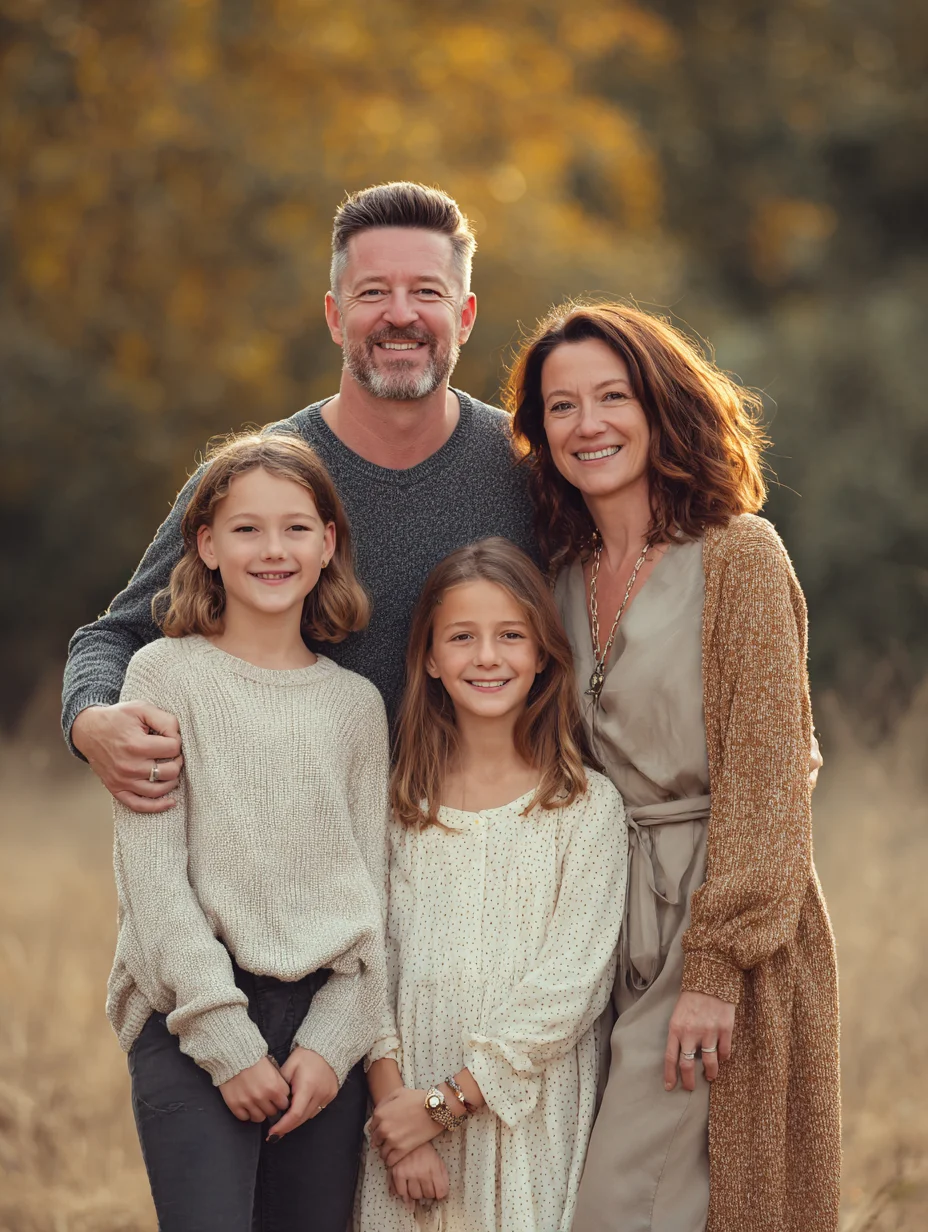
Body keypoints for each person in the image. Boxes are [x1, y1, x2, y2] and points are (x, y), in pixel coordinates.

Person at [508, 304, 841, 1232]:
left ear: (662, 409)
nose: (590, 425)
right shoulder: (558, 570)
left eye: (613, 397)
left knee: (625, 1202)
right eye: (562, 406)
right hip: (598, 911)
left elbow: (771, 777)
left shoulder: (738, 555)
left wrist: (715, 970)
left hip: (718, 908)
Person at [61, 181, 534, 811]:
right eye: (372, 293)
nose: (400, 314)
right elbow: (113, 636)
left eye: (427, 292)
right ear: (336, 317)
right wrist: (91, 722)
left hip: (475, 847)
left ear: (465, 316)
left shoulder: (528, 466)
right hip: (303, 857)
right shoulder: (261, 479)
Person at [108, 433, 390, 1232]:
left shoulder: (356, 707)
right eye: (246, 529)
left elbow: (375, 900)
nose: (274, 550)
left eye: (297, 528)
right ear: (205, 544)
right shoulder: (164, 676)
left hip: (319, 1033)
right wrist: (225, 1041)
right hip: (190, 1015)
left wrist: (334, 1046)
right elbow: (154, 883)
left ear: (328, 542)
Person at [354, 538, 628, 1232]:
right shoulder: (393, 808)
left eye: (511, 636)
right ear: (430, 659)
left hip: (525, 1116)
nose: (487, 657)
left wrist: (446, 1104)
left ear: (542, 655)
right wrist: (400, 1120)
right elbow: (366, 969)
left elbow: (572, 985)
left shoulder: (585, 807)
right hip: (406, 1113)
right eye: (462, 637)